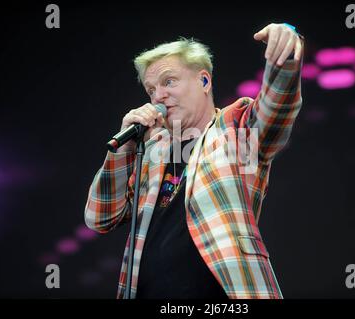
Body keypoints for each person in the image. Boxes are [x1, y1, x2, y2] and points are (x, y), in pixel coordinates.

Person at [85, 22, 304, 299]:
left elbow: (276, 108)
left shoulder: (235, 129)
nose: (158, 96)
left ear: (204, 81)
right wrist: (123, 151)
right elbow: (100, 218)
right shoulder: (152, 152)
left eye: (168, 81)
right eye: (151, 89)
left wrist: (284, 53)